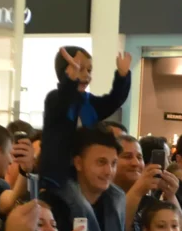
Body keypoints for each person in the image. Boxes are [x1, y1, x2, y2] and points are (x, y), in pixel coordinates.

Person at [40, 46, 132, 187]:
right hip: (59, 177)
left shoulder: (89, 102)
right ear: (65, 71)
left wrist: (122, 76)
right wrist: (69, 81)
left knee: (116, 196)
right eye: (79, 68)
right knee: (80, 206)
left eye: (88, 70)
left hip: (86, 174)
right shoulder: (55, 99)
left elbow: (114, 101)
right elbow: (64, 100)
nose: (86, 75)